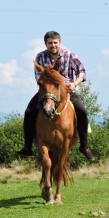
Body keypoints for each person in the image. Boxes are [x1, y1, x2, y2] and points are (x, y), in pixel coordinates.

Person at [17, 31, 94, 161]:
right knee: (29, 112)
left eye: (55, 43)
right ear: (45, 44)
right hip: (46, 91)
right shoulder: (40, 57)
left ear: (59, 43)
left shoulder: (69, 55)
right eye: (50, 43)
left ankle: (84, 146)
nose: (53, 45)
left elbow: (82, 71)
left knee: (82, 111)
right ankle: (28, 146)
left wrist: (74, 84)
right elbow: (38, 76)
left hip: (66, 91)